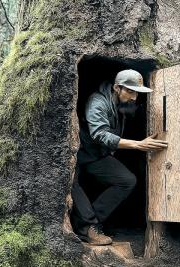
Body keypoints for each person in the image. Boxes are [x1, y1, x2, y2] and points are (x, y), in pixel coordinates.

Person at [71, 69, 168, 245]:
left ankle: (94, 221)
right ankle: (86, 227)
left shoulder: (121, 103)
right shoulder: (97, 102)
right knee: (71, 183)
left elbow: (127, 113)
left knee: (127, 180)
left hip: (97, 156)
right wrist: (138, 144)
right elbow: (99, 134)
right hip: (78, 155)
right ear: (117, 87)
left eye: (136, 93)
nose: (134, 97)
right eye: (130, 91)